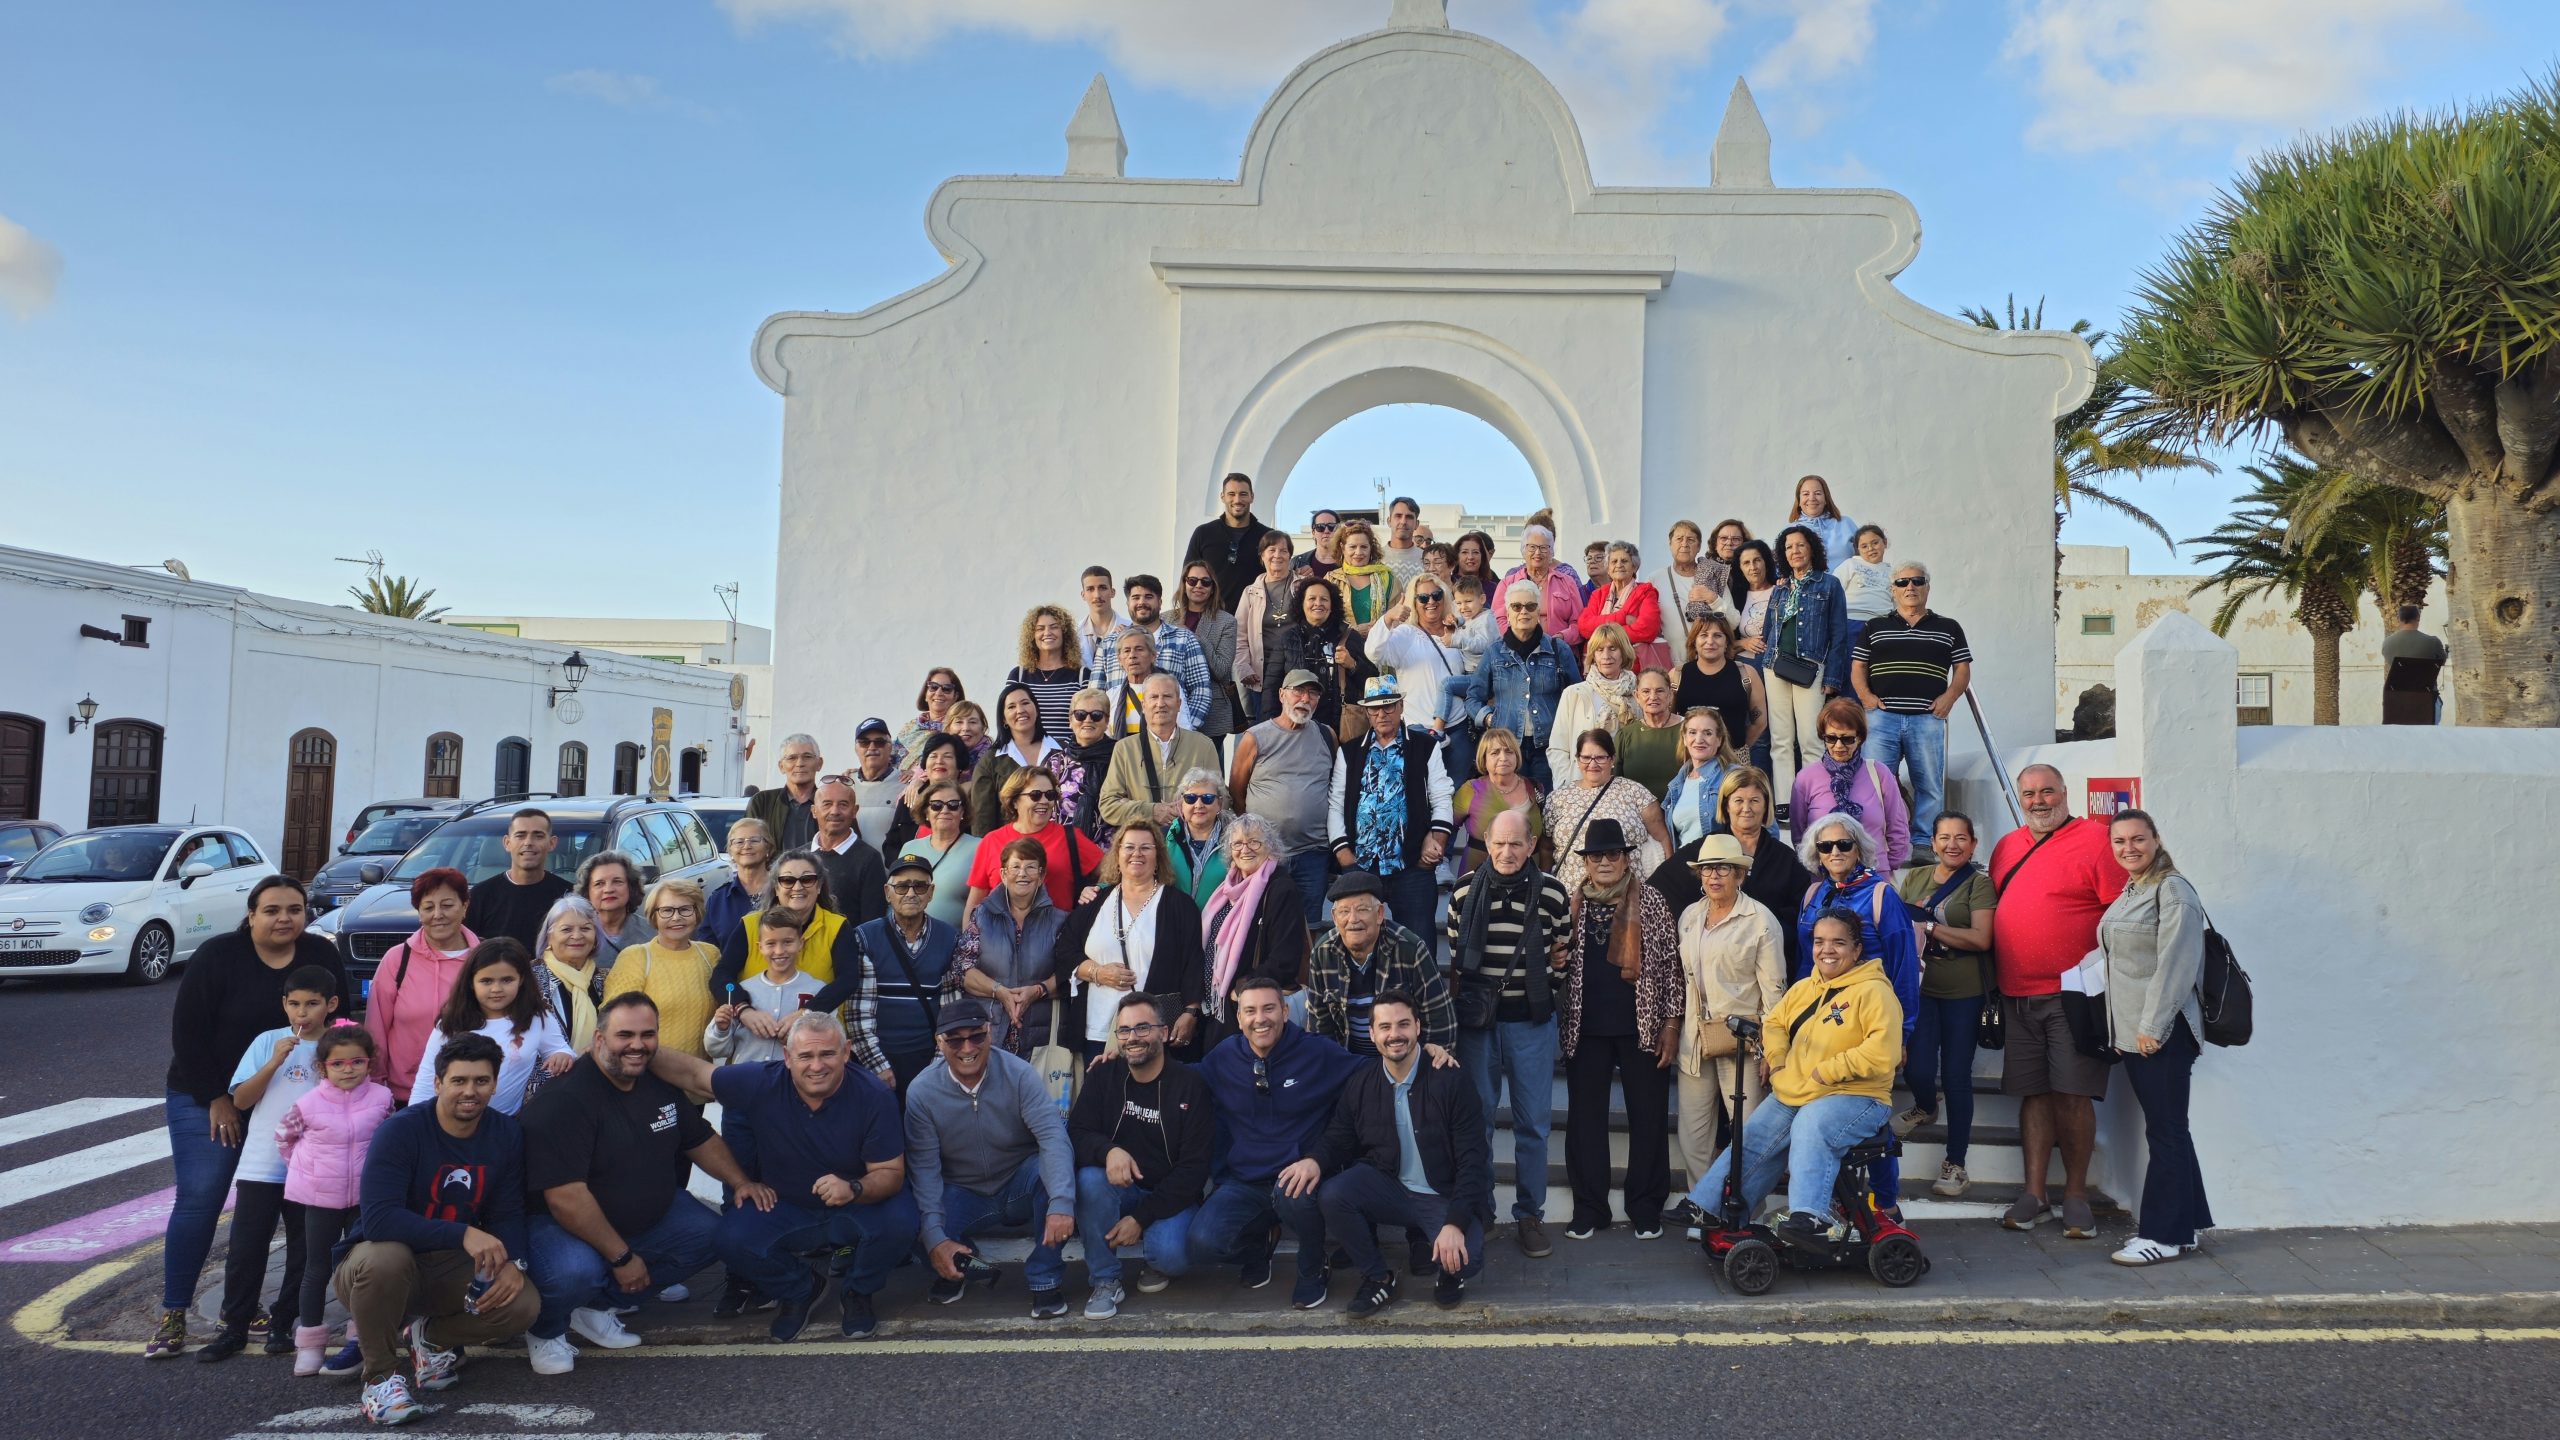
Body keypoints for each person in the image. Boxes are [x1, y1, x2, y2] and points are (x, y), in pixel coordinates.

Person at [151, 876, 353, 1359]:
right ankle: (174, 1312)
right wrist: (217, 1098)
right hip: (212, 1094)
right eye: (272, 910)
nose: (284, 918)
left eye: (295, 908)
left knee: (297, 1217)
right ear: (251, 914)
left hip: (294, 1108)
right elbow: (188, 1033)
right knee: (202, 1197)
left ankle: (272, 1315)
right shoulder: (218, 956)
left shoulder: (320, 955)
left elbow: (341, 1026)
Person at [520, 994, 759, 1374]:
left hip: (641, 1214)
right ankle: (546, 1330)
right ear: (598, 1040)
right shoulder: (564, 1100)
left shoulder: (653, 1080)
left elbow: (699, 1138)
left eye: (648, 1034)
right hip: (556, 1223)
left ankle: (595, 1308)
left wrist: (742, 1181)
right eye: (624, 1035)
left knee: (716, 1234)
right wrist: (623, 1258)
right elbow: (566, 1199)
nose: (637, 1045)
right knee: (575, 1272)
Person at [657, 1013, 921, 1339]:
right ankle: (801, 1288)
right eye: (805, 1056)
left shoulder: (873, 1095)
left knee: (902, 1219)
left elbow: (890, 1173)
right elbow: (695, 1074)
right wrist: (633, 1048)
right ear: (787, 1057)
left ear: (846, 1051)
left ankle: (858, 1291)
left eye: (827, 1054)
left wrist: (854, 1188)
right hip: (787, 1206)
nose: (816, 1066)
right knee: (729, 1237)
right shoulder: (762, 1081)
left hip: (855, 1205)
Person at [329, 1033, 540, 1424]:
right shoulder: (402, 1131)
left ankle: (431, 1338)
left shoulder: (505, 1134)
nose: (470, 1091)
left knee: (522, 1303)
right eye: (459, 1080)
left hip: (444, 1266)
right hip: (372, 1268)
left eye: (481, 1081)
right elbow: (378, 1220)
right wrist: (462, 1234)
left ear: (495, 1084)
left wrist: (516, 1260)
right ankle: (379, 1379)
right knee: (387, 1256)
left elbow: (508, 1211)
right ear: (439, 1082)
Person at [1673, 907, 1901, 1247]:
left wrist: (1826, 1071)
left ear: (1856, 950)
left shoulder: (1875, 991)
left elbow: (1883, 1054)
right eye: (1820, 941)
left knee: (1810, 1124)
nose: (1827, 950)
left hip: (1860, 1097)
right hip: (1802, 1089)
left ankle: (1811, 1216)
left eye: (1838, 943)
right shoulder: (1805, 987)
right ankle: (1708, 1207)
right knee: (1755, 1133)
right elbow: (1776, 1023)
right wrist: (1778, 1061)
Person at [1989, 763, 2127, 1239]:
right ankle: (2034, 1193)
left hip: (2074, 996)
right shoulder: (2007, 847)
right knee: (2034, 1093)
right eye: (2029, 793)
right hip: (2016, 994)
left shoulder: (2096, 841)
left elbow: (2118, 915)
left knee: (2072, 1093)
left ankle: (2074, 1194)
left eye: (2048, 791)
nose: (2039, 801)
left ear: (2066, 793)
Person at [1311, 989, 1495, 1315]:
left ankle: (1448, 1274)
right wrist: (1313, 1161)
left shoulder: (1451, 1081)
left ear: (1418, 1028)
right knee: (1333, 1193)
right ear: (1371, 1034)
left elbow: (1473, 1160)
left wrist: (1454, 1223)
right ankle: (1378, 1277)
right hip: (1390, 1186)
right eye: (1384, 1027)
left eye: (1403, 1025)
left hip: (1442, 1194)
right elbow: (1339, 1136)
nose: (1394, 1035)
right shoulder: (1362, 1081)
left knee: (1469, 1259)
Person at [195, 964, 342, 1364]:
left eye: (312, 1004)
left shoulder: (338, 1046)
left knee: (305, 1249)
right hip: (263, 1162)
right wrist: (274, 1062)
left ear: (331, 1005)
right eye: (294, 1004)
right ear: (284, 1005)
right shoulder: (267, 1041)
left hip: (313, 1166)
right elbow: (241, 1100)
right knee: (246, 1247)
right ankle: (235, 1326)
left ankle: (283, 1323)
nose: (302, 1014)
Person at [1444, 809, 1571, 1257]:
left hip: (1531, 1025)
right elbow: (1459, 956)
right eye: (1499, 843)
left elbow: (1562, 957)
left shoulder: (1554, 893)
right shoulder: (1462, 892)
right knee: (1475, 1122)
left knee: (1532, 1126)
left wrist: (1540, 995)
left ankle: (1529, 1215)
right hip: (1479, 1027)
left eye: (1516, 843)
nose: (1507, 852)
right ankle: (1479, 1210)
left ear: (1532, 845)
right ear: (1486, 844)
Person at [2091, 808, 2215, 1266]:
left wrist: (2152, 1027)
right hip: (2134, 1032)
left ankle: (2161, 1235)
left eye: (2138, 840)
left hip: (2159, 1033)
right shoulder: (2134, 889)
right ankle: (2188, 1226)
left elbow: (2177, 964)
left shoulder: (2173, 890)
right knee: (2170, 1130)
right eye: (2120, 841)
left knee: (2164, 1132)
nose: (2129, 848)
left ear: (2156, 839)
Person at [904, 999, 1079, 1320]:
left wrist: (1062, 1202)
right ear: (939, 1042)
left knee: (1053, 1176)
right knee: (910, 1224)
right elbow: (924, 1169)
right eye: (955, 1039)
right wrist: (935, 1240)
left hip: (1019, 1180)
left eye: (977, 1036)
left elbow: (1053, 1137)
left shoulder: (1020, 1074)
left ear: (990, 1032)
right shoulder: (922, 1091)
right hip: (961, 1189)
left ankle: (1045, 1279)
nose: (967, 1047)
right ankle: (958, 1263)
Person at [1191, 973, 1356, 1308]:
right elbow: (1178, 1078)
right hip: (1245, 1180)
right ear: (1239, 1018)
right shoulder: (1223, 1057)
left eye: (1269, 1008)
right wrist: (1118, 1066)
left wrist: (1424, 1054)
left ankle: (1312, 1266)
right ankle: (1259, 1244)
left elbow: (1372, 1073)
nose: (1260, 1019)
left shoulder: (1317, 1052)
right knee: (1201, 1243)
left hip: (1298, 1175)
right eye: (1250, 1011)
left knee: (1293, 1194)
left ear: (1285, 1011)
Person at [1556, 819, 1683, 1240]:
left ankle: (1645, 1207)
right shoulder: (1571, 903)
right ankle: (1590, 1208)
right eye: (1597, 856)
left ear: (1627, 858)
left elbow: (1671, 968)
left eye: (1614, 854)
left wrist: (1670, 1022)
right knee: (1584, 1121)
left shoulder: (1651, 901)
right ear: (1587, 863)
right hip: (1585, 1027)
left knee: (1647, 1118)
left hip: (1641, 1027)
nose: (1606, 861)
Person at [1070, 992, 1217, 1318]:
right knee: (1090, 1179)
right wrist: (1109, 1151)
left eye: (1142, 1028)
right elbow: (1077, 1133)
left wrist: (1142, 1218)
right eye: (1124, 1030)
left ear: (1163, 1033)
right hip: (1122, 1188)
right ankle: (1106, 1280)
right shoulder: (1103, 1075)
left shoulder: (1190, 1085)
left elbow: (1194, 1169)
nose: (1132, 1038)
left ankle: (1154, 1253)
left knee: (1171, 1257)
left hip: (1173, 1196)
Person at [1667, 835, 1787, 1228]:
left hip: (1744, 1043)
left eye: (1723, 868)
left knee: (1749, 1137)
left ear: (1740, 874)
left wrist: (1772, 1051)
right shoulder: (1689, 915)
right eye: (1707, 868)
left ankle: (1748, 1218)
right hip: (1694, 1038)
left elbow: (1774, 994)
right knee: (1694, 1137)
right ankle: (1705, 1211)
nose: (1713, 875)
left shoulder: (1761, 921)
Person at [277, 1025, 392, 1376]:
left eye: (357, 1061)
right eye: (338, 1063)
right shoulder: (307, 1104)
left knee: (362, 1270)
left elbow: (390, 1140)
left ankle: (360, 1338)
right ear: (322, 1068)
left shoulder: (383, 1099)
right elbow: (285, 1138)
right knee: (316, 1268)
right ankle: (310, 1344)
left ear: (369, 1063)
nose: (348, 1069)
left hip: (365, 1199)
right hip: (319, 1198)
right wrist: (307, 1169)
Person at [1893, 812, 1997, 1198]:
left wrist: (1932, 926)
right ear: (1933, 842)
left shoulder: (1979, 884)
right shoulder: (1915, 878)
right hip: (1920, 988)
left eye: (1961, 838)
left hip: (1963, 992)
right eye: (1944, 837)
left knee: (1956, 1076)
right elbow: (1900, 927)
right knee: (1918, 1067)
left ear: (1973, 844)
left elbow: (1981, 939)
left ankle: (1956, 1163)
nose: (1952, 844)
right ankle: (1924, 1105)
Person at [1327, 677, 1454, 949]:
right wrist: (1342, 853)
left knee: (1419, 945)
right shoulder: (1349, 752)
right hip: (1361, 864)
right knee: (1360, 944)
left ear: (1400, 706)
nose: (1382, 714)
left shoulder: (1424, 746)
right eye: (1375, 709)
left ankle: (1421, 994)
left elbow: (1442, 796)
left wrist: (1437, 839)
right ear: (1367, 712)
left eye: (1388, 707)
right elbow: (1336, 803)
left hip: (1411, 864)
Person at [1060, 825, 1206, 1060]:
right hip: (1097, 1029)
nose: (1136, 853)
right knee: (1104, 1093)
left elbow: (1193, 963)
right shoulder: (1094, 902)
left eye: (1145, 848)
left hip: (1154, 1031)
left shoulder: (1180, 906)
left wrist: (1191, 1012)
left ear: (1158, 857)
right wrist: (1097, 973)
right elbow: (1064, 952)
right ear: (1117, 856)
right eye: (1129, 847)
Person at [1851, 560, 1972, 839]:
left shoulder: (1949, 627)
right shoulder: (1874, 625)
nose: (1910, 587)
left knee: (1929, 784)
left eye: (1917, 581)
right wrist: (1866, 698)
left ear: (1927, 587)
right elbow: (1858, 667)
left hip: (1927, 718)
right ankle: (1878, 840)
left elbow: (1962, 669)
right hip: (1882, 717)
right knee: (1875, 784)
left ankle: (1921, 840)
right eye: (1903, 582)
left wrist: (1949, 699)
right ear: (1893, 590)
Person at [837, 853, 962, 1093]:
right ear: (887, 893)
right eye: (902, 886)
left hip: (929, 1057)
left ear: (931, 892)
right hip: (876, 1057)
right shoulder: (864, 937)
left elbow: (951, 1011)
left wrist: (936, 1069)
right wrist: (878, 1066)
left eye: (920, 886)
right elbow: (858, 1013)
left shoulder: (949, 938)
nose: (911, 893)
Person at [409, 939, 576, 1113]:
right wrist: (413, 1123)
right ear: (471, 983)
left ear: (521, 980)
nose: (496, 989)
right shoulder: (452, 1023)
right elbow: (427, 1079)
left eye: (507, 980)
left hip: (506, 1123)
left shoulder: (537, 1018)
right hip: (451, 1123)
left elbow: (560, 1049)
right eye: (486, 981)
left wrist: (563, 1055)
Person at [1228, 669, 1339, 926]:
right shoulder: (1256, 737)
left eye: (1313, 693)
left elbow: (1334, 785)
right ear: (1281, 695)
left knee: (1308, 924)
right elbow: (1236, 790)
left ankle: (1306, 969)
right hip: (1265, 853)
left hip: (1314, 851)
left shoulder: (1326, 735)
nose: (1305, 698)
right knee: (1263, 924)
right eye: (1298, 691)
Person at [1305, 870, 1456, 1054]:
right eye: (1344, 911)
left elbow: (1439, 1018)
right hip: (1348, 1062)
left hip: (1403, 1061)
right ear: (1335, 918)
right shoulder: (1322, 953)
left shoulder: (1410, 948)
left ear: (1380, 914)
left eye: (1362, 909)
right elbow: (1320, 1027)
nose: (1353, 919)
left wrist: (1426, 1066)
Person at [362, 867, 480, 1099]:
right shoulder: (397, 959)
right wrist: (375, 1086)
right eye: (428, 907)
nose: (438, 914)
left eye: (447, 905)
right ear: (419, 913)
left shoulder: (483, 960)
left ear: (464, 906)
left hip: (467, 1093)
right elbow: (376, 1028)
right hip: (403, 1093)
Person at [1197, 814, 1310, 1047]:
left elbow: (1284, 959)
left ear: (1271, 847)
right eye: (1237, 843)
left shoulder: (1280, 889)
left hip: (1246, 1009)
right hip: (1213, 1008)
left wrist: (1243, 988)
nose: (1245, 849)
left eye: (1254, 842)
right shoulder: (1227, 888)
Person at [1766, 527, 1854, 820]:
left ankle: (1814, 799)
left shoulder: (1829, 585)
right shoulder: (1780, 587)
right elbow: (1770, 628)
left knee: (1810, 739)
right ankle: (1785, 801)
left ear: (1812, 549)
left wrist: (1832, 677)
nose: (1795, 551)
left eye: (1800, 545)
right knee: (1780, 738)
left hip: (1811, 666)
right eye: (1789, 547)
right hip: (1776, 665)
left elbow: (1839, 635)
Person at [953, 837, 1069, 1056]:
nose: (1022, 874)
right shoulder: (981, 916)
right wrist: (1000, 991)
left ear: (1042, 876)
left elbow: (1069, 974)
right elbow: (962, 971)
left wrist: (1038, 991)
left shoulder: (1060, 921)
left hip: (1041, 1038)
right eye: (1015, 867)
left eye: (1030, 867)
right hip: (988, 1032)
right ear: (1004, 875)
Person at [600, 878, 721, 1060]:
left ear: (697, 913)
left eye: (685, 909)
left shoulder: (710, 955)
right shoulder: (635, 957)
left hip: (698, 1077)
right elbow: (612, 1020)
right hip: (648, 1074)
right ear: (653, 915)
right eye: (666, 910)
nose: (676, 917)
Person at [966, 766, 1108, 918]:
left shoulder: (1070, 837)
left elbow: (1111, 870)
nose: (1045, 801)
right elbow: (975, 902)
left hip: (1057, 936)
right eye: (1035, 795)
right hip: (1001, 937)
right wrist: (968, 938)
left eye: (1050, 795)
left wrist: (1096, 889)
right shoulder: (991, 841)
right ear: (1014, 801)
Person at [1543, 729, 1672, 896]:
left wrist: (1665, 885)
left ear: (1612, 759)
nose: (1593, 764)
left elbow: (1662, 838)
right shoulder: (1557, 799)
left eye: (1600, 757)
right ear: (1577, 759)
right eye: (1586, 757)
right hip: (1571, 897)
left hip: (1630, 897)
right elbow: (1546, 848)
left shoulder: (1634, 792)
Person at [1790, 699, 1912, 868]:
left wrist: (1886, 867)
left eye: (1847, 739)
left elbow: (1898, 827)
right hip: (1824, 879)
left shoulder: (1880, 773)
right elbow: (1799, 836)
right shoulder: (1806, 778)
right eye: (1831, 738)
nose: (1838, 745)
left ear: (1860, 737)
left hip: (1873, 877)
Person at [704, 906, 834, 1064]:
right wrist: (721, 1029)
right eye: (771, 943)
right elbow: (717, 1050)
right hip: (748, 1081)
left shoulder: (819, 991)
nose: (779, 951)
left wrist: (802, 1039)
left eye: (787, 942)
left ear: (801, 943)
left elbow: (828, 1044)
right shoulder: (742, 991)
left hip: (792, 1083)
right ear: (760, 947)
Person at [1100, 673, 1224, 836]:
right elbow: (1108, 805)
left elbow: (1223, 798)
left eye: (1167, 696)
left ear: (1179, 704)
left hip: (1192, 842)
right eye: (1154, 697)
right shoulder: (1124, 749)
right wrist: (1151, 811)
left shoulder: (1203, 745)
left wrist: (1192, 807)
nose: (1160, 703)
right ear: (1144, 705)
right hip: (1143, 845)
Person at [1366, 574, 1470, 767]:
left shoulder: (1458, 632)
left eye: (1436, 595)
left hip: (1457, 728)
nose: (1431, 601)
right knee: (1422, 791)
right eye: (1423, 598)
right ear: (1414, 602)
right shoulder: (1406, 634)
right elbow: (1374, 653)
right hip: (1419, 728)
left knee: (1456, 790)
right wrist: (1389, 617)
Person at [1091, 575, 1212, 730]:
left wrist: (1183, 732)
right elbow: (1096, 694)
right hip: (1118, 739)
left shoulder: (1183, 639)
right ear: (1128, 603)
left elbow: (1201, 689)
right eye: (1136, 597)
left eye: (1149, 597)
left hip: (1169, 738)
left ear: (1160, 603)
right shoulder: (1109, 643)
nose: (1142, 602)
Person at [461, 810, 570, 953]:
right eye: (520, 835)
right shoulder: (479, 897)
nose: (528, 842)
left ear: (552, 843)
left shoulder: (568, 897)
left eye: (538, 836)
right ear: (507, 843)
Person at [1182, 472, 1279, 630]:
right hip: (1208, 621)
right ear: (1222, 496)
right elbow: (1187, 578)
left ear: (1252, 497)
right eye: (1231, 494)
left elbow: (1278, 576)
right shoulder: (1203, 533)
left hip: (1253, 624)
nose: (1237, 500)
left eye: (1243, 494)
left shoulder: (1267, 537)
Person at [1548, 622, 1641, 784]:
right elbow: (1557, 747)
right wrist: (1567, 782)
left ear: (1624, 652)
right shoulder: (1574, 694)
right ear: (1593, 655)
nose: (1606, 656)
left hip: (1622, 787)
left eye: (1613, 648)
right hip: (1580, 786)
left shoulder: (1638, 694)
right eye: (1600, 649)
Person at [972, 682, 1069, 835]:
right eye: (1011, 707)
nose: (1020, 710)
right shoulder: (990, 761)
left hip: (1059, 843)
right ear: (1003, 719)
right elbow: (982, 821)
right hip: (1012, 851)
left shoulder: (1065, 751)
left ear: (1036, 709)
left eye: (1025, 703)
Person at [1450, 726, 1543, 880]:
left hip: (1529, 880)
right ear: (1484, 759)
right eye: (1495, 752)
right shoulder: (1471, 790)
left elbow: (1545, 840)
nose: (1503, 757)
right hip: (1479, 878)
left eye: (1509, 751)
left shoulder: (1534, 788)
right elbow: (1447, 827)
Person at [1268, 569, 1356, 731]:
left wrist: (1352, 665)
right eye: (1312, 598)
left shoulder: (1348, 636)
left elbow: (1369, 678)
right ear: (1302, 604)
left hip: (1338, 725)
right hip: (1296, 723)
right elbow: (1272, 687)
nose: (1318, 603)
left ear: (1332, 605)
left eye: (1324, 599)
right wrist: (1269, 728)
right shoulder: (1288, 638)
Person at [1675, 613, 1767, 762]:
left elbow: (1760, 722)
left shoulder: (1746, 673)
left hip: (1734, 762)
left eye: (1718, 635)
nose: (1710, 641)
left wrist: (1736, 750)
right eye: (1703, 635)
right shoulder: (1677, 675)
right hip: (1691, 760)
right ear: (1694, 641)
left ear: (1727, 642)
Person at [1231, 531, 1300, 727]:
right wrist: (1243, 667)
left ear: (1290, 556)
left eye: (1283, 551)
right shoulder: (1251, 592)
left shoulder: (1302, 586)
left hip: (1294, 669)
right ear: (1262, 555)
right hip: (1261, 675)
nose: (1277, 555)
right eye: (1272, 550)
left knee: (1296, 726)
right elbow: (1239, 635)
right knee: (1265, 729)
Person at [805, 777, 889, 929]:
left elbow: (872, 924)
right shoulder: (798, 856)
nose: (835, 811)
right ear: (814, 811)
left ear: (855, 811)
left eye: (843, 804)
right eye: (827, 804)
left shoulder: (869, 859)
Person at [1174, 561, 1242, 742]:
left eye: (1205, 582)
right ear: (1184, 584)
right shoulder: (1166, 619)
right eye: (1192, 580)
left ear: (1213, 588)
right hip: (1172, 708)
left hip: (1212, 711)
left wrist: (1196, 638)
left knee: (1210, 769)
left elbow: (1222, 670)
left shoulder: (1226, 621)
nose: (1198, 586)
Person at [897, 778, 980, 926]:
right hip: (908, 939)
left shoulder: (979, 847)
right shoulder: (909, 848)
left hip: (955, 942)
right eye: (936, 805)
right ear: (926, 812)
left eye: (953, 805)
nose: (945, 810)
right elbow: (896, 896)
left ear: (962, 812)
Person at [1661, 707, 1741, 850]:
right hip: (1685, 866)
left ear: (1719, 740)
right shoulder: (1678, 783)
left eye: (1708, 733)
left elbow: (1765, 828)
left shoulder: (1734, 776)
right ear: (1684, 739)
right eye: (1692, 732)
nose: (1699, 740)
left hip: (1720, 867)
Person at [882, 732, 973, 857]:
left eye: (947, 756)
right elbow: (891, 845)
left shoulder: (969, 800)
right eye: (933, 756)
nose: (939, 761)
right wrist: (906, 868)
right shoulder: (909, 798)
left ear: (959, 765)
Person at [1579, 541, 1667, 670]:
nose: (1619, 565)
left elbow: (1647, 630)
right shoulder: (1598, 594)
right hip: (1598, 668)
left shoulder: (1646, 592)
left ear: (1634, 567)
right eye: (1614, 562)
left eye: (1624, 561)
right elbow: (1584, 626)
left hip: (1632, 667)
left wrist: (1602, 635)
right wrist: (1622, 618)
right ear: (1608, 568)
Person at [1053, 689, 1119, 845]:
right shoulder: (1056, 763)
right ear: (1071, 720)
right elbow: (1049, 811)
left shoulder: (1121, 757)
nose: (1088, 720)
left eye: (1096, 715)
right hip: (1066, 851)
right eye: (1080, 714)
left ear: (1106, 721)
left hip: (1110, 854)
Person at [701, 819, 775, 951]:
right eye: (739, 842)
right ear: (730, 851)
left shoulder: (784, 891)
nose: (746, 846)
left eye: (754, 840)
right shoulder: (718, 900)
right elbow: (707, 950)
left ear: (768, 847)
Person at [1163, 768, 1232, 907]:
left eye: (1207, 798)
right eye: (1190, 798)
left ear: (1219, 804)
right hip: (1173, 923)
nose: (1198, 805)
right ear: (1181, 804)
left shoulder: (1235, 839)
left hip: (1218, 926)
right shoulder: (1164, 838)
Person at [1499, 525, 1583, 640]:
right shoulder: (1507, 583)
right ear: (1524, 550)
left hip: (1558, 650)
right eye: (1532, 547)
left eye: (1543, 547)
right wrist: (1519, 641)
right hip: (1517, 652)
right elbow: (1499, 620)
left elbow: (1579, 622)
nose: (1537, 552)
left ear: (1551, 552)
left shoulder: (1568, 582)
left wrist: (1562, 638)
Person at [744, 734, 823, 850]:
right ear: (781, 766)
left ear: (819, 763)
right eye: (792, 758)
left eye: (807, 756)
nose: (800, 763)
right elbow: (748, 845)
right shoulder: (763, 802)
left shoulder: (831, 803)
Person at [1616, 669, 1686, 799]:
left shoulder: (1689, 731)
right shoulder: (1625, 735)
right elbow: (1615, 783)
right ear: (1636, 696)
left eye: (1659, 691)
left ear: (1670, 695)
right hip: (1636, 815)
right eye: (1646, 691)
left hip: (1680, 813)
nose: (1653, 697)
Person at [575, 850, 654, 963]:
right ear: (587, 892)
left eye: (617, 881)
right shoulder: (575, 935)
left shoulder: (652, 931)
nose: (608, 889)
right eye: (599, 884)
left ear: (631, 887)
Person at [847, 717, 907, 852]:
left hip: (890, 871)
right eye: (864, 742)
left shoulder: (906, 786)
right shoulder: (844, 786)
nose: (872, 747)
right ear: (856, 748)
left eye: (879, 742)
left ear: (890, 747)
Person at [2381, 602, 2447, 724]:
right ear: (2418, 618)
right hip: (2427, 699)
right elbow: (2442, 661)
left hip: (2398, 699)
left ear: (2399, 619)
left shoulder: (2387, 643)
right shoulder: (2433, 642)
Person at [1329, 520, 1396, 636]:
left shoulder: (1388, 579)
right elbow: (1324, 620)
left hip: (1380, 648)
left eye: (1364, 547)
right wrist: (1352, 632)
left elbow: (1398, 620)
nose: (1358, 552)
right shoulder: (1331, 580)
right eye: (1353, 547)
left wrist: (1379, 630)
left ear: (1371, 548)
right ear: (1342, 547)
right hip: (1342, 649)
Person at [892, 668, 966, 772]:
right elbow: (891, 758)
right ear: (926, 694)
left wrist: (917, 775)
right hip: (898, 784)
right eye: (933, 687)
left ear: (955, 697)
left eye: (947, 689)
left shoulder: (958, 728)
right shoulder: (910, 726)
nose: (939, 692)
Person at [1785, 474, 1859, 563]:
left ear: (1826, 499)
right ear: (1799, 500)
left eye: (1817, 493)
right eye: (1806, 494)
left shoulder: (1846, 523)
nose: (1812, 498)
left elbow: (1865, 557)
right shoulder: (1789, 531)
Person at [1835, 523, 1894, 624]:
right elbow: (1833, 589)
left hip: (1882, 621)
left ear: (1885, 542)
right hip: (1851, 619)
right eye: (1864, 546)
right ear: (1858, 549)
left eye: (1875, 543)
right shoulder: (1851, 564)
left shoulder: (1892, 572)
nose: (1870, 548)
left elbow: (1897, 600)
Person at [1076, 564, 1128, 674]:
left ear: (1112, 592)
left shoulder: (1130, 628)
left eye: (1102, 588)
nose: (1097, 595)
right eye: (1090, 589)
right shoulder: (1073, 633)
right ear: (1083, 595)